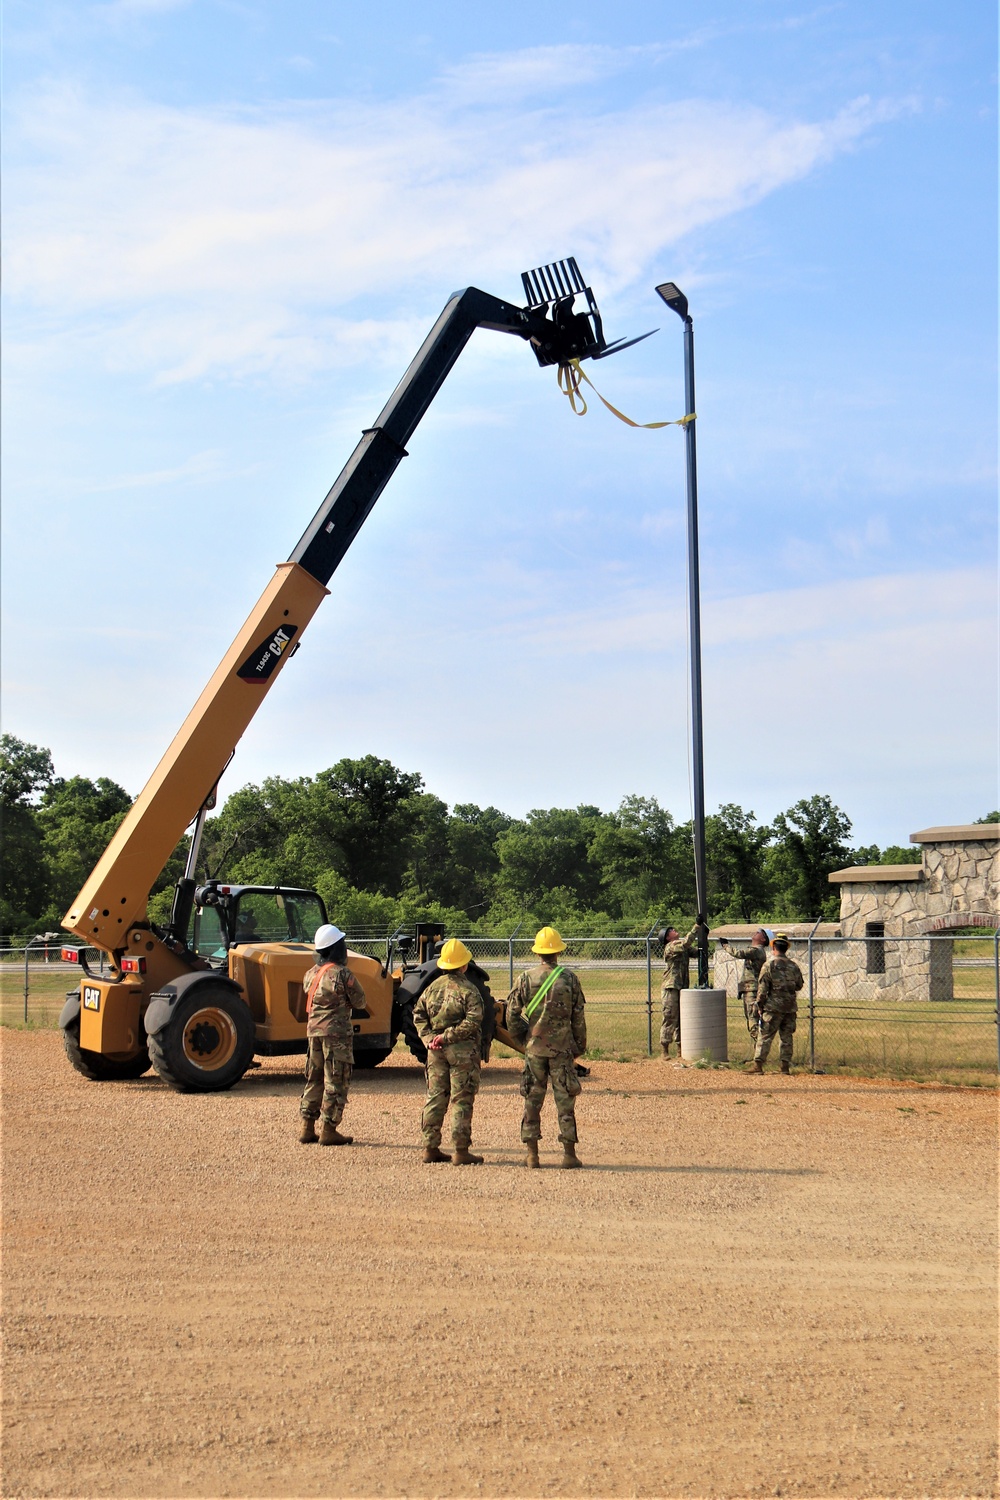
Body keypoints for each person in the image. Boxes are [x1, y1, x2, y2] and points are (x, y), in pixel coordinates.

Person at [505, 926, 587, 1170]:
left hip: (535, 1050)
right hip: (562, 1050)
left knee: (532, 1099)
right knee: (565, 1101)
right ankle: (569, 1154)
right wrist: (579, 1046)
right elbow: (578, 1017)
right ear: (558, 951)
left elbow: (511, 1013)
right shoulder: (570, 979)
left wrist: (521, 1038)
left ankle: (532, 1155)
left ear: (537, 952)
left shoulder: (525, 978)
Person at [414, 938, 484, 1166]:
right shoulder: (469, 990)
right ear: (464, 966)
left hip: (436, 1052)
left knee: (435, 1097)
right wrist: (449, 1036)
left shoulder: (431, 988)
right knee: (461, 1099)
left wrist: (428, 1039)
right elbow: (474, 1020)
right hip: (462, 1053)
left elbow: (418, 1015)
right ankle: (461, 1151)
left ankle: (430, 1148)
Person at [298, 923, 367, 1145]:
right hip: (336, 1035)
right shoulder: (342, 974)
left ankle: (307, 1127)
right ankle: (329, 1129)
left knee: (314, 1078)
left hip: (313, 1033)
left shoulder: (311, 974)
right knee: (336, 1080)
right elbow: (360, 1000)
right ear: (337, 948)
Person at [751, 933, 804, 1075]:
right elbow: (799, 985)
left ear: (773, 947)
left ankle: (758, 1065)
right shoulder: (794, 966)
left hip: (773, 1007)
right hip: (790, 1007)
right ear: (786, 948)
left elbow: (762, 989)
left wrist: (759, 1005)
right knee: (786, 1037)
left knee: (765, 1035)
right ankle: (784, 1067)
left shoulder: (768, 965)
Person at [719, 928, 770, 1044]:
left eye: (758, 933)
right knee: (751, 1018)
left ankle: (759, 1051)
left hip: (752, 989)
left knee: (753, 1019)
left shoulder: (757, 950)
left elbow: (739, 953)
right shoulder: (757, 950)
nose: (755, 933)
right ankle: (757, 1050)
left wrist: (726, 946)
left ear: (762, 939)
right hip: (749, 988)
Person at [659, 922, 700, 1057]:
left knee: (683, 1019)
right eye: (670, 930)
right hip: (671, 987)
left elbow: (696, 952)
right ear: (667, 938)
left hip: (682, 987)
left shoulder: (682, 948)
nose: (674, 930)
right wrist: (696, 926)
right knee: (670, 1017)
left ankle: (680, 1049)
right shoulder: (670, 947)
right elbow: (686, 944)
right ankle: (665, 1048)